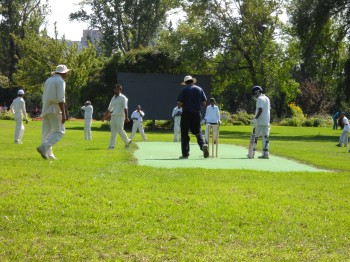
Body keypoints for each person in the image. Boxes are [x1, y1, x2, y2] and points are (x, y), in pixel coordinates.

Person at [37, 64, 70, 159]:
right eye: (66, 72)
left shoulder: (49, 80)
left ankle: (49, 154)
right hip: (55, 109)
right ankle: (44, 147)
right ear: (63, 73)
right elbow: (60, 99)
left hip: (46, 109)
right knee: (60, 131)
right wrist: (64, 114)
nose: (67, 74)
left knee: (47, 133)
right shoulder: (61, 81)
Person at [177, 75, 208, 159]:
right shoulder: (199, 89)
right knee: (198, 131)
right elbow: (204, 103)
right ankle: (203, 145)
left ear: (186, 82)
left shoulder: (184, 90)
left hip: (186, 113)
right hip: (197, 113)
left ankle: (185, 154)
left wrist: (181, 105)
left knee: (184, 133)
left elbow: (180, 103)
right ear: (192, 81)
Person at [102, 84, 131, 149]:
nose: (116, 90)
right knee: (113, 131)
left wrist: (126, 117)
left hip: (120, 116)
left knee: (120, 129)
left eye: (117, 89)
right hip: (114, 116)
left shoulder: (123, 98)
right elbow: (110, 108)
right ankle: (111, 146)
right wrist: (105, 116)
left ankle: (127, 141)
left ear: (120, 90)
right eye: (115, 89)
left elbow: (125, 108)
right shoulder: (113, 97)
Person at [251, 85, 271, 159]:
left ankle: (252, 153)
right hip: (266, 121)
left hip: (259, 121)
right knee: (265, 137)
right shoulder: (267, 98)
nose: (254, 96)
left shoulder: (260, 99)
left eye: (254, 93)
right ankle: (266, 154)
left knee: (255, 136)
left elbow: (260, 110)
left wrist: (255, 118)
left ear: (257, 92)